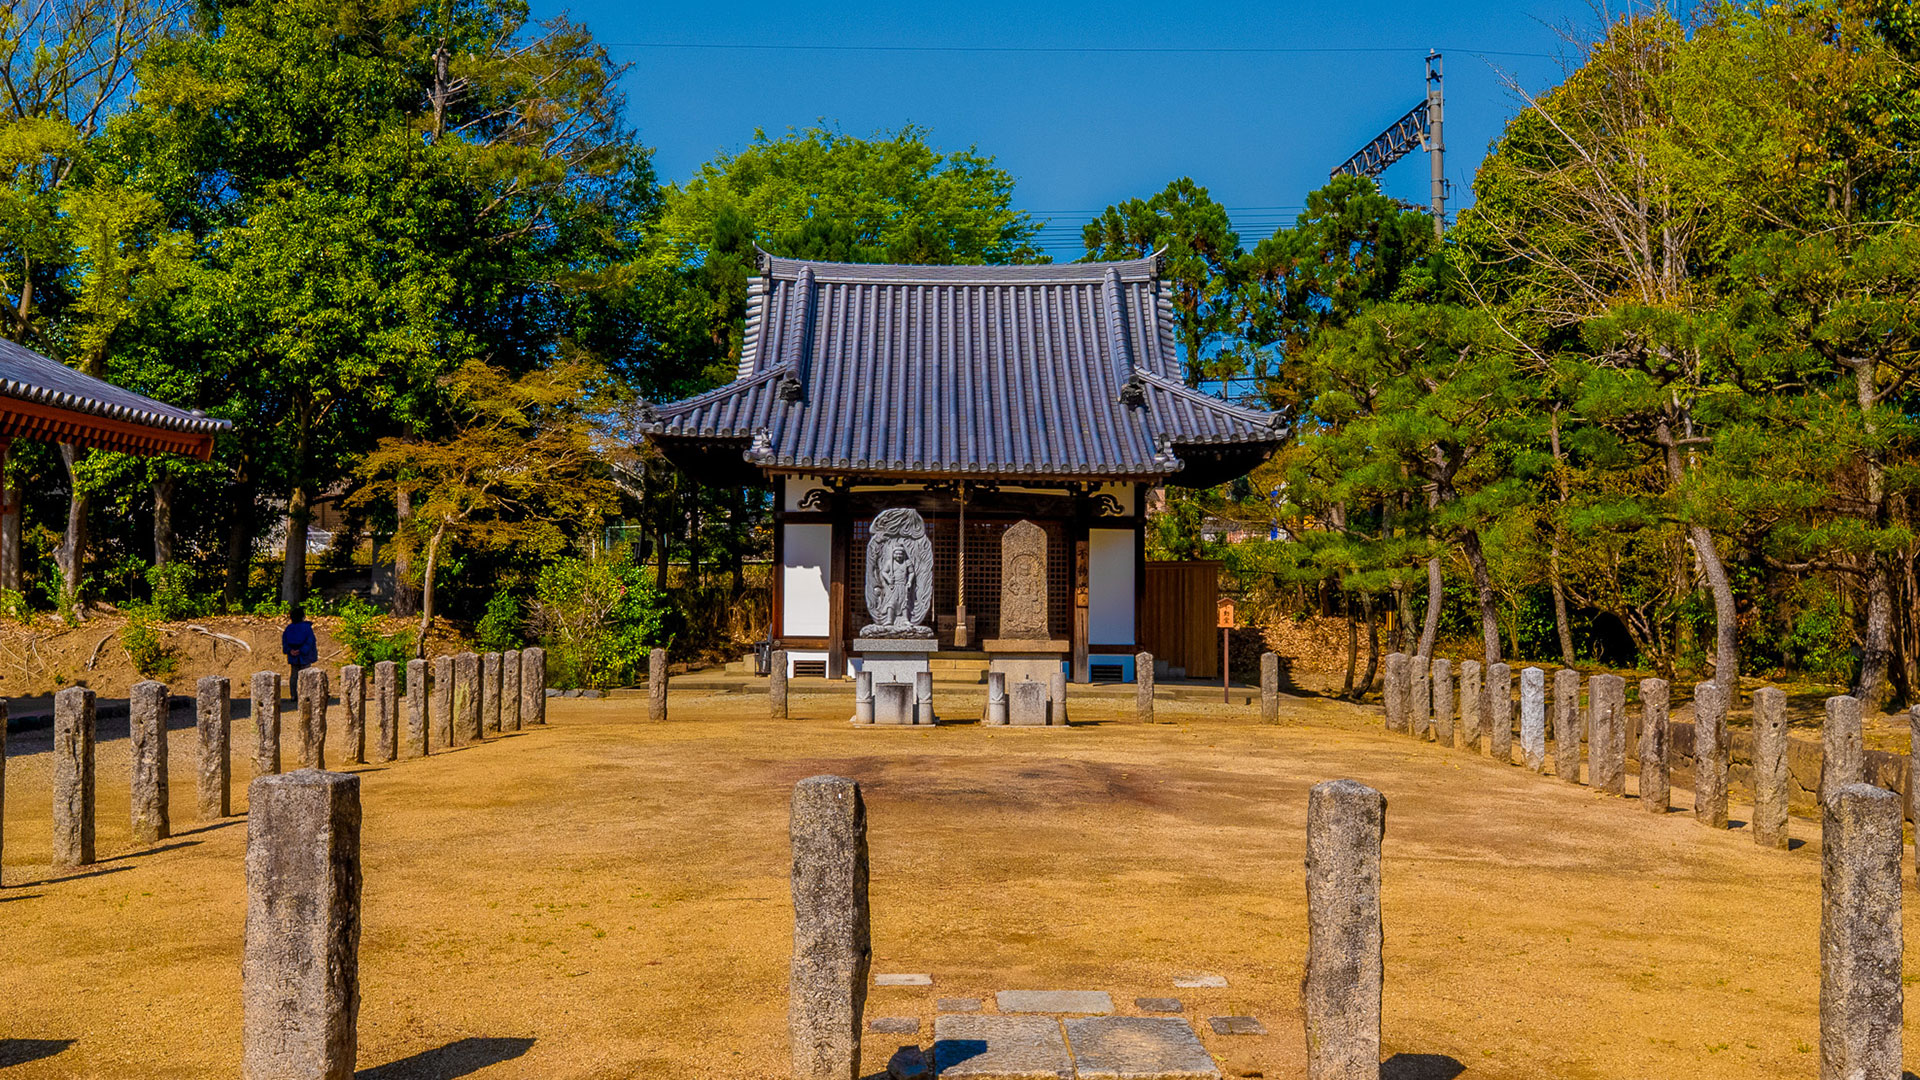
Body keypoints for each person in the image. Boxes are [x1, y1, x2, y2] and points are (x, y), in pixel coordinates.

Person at [282, 604, 318, 685]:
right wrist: (301, 650)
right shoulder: (307, 628)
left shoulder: (288, 629)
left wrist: (290, 651)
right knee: (306, 676)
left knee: (294, 676)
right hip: (305, 656)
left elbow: (285, 642)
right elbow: (310, 642)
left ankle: (294, 695)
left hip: (293, 656)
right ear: (303, 617)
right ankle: (306, 695)